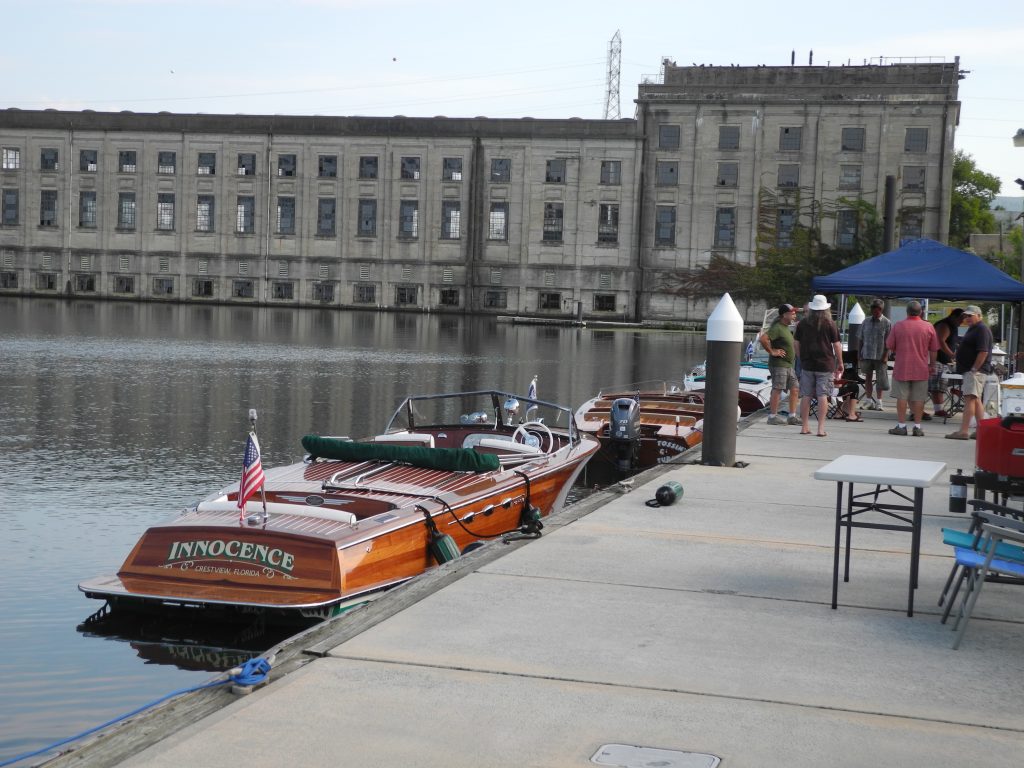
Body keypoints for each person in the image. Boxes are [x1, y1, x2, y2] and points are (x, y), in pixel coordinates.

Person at [885, 300, 938, 436]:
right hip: (921, 368)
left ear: (907, 312)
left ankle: (901, 426)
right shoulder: (928, 327)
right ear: (921, 312)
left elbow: (890, 345)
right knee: (919, 398)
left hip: (902, 367)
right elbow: (933, 349)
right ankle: (917, 427)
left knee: (902, 397)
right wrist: (932, 365)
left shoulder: (898, 326)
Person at [793, 294, 842, 437]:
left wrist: (801, 357)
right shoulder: (830, 323)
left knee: (806, 395)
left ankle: (804, 426)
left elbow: (796, 342)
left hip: (807, 364)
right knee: (822, 395)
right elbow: (837, 345)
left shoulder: (802, 323)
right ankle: (820, 428)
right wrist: (840, 362)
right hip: (825, 364)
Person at [947, 305, 993, 440]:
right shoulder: (974, 329)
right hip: (971, 370)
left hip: (974, 371)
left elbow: (983, 351)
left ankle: (964, 431)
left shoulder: (982, 329)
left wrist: (974, 369)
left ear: (979, 316)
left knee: (969, 399)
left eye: (970, 316)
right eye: (966, 316)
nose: (967, 318)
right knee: (976, 399)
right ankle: (980, 430)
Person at [759, 303, 801, 425]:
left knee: (795, 389)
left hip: (788, 365)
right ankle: (772, 416)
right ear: (784, 315)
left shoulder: (786, 328)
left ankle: (792, 416)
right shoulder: (777, 327)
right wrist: (772, 351)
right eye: (792, 313)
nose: (794, 315)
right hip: (779, 364)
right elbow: (763, 339)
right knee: (777, 389)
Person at [929, 308, 964, 418]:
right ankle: (938, 409)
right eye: (960, 320)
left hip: (945, 361)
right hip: (939, 360)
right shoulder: (944, 325)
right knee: (937, 386)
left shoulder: (952, 326)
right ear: (954, 317)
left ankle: (942, 405)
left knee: (942, 386)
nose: (961, 323)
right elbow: (940, 341)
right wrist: (952, 355)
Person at [858, 298, 891, 411]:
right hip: (867, 354)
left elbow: (889, 342)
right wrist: (859, 353)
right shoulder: (865, 321)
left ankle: (879, 402)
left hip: (881, 355)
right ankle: (868, 401)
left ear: (881, 310)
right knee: (868, 377)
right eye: (873, 310)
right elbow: (861, 339)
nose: (874, 313)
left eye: (876, 311)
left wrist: (886, 355)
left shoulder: (887, 323)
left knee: (880, 379)